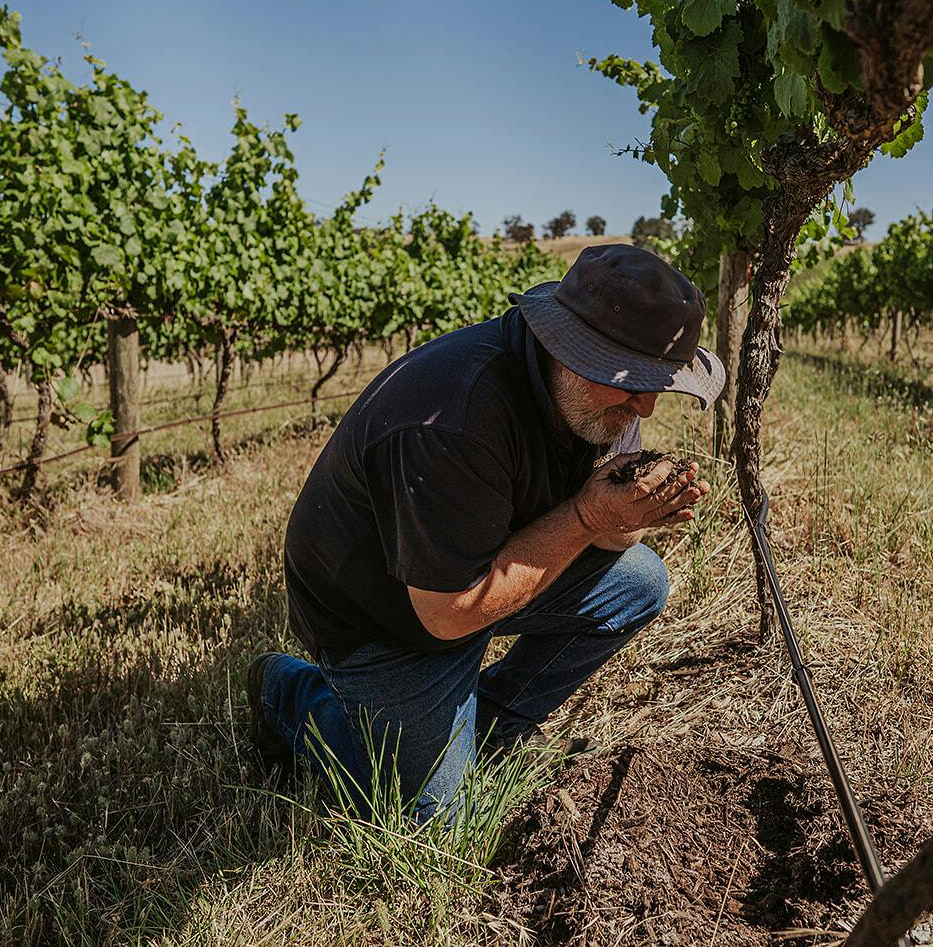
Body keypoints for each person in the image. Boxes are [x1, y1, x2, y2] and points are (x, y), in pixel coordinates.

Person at [246, 244, 723, 821]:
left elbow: (593, 536)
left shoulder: (595, 402)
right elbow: (449, 613)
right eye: (631, 382)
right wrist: (588, 517)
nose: (646, 406)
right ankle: (292, 694)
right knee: (429, 821)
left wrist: (625, 518)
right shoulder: (455, 418)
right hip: (386, 612)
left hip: (479, 567)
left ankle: (488, 730)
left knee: (639, 584)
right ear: (569, 351)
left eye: (658, 383)